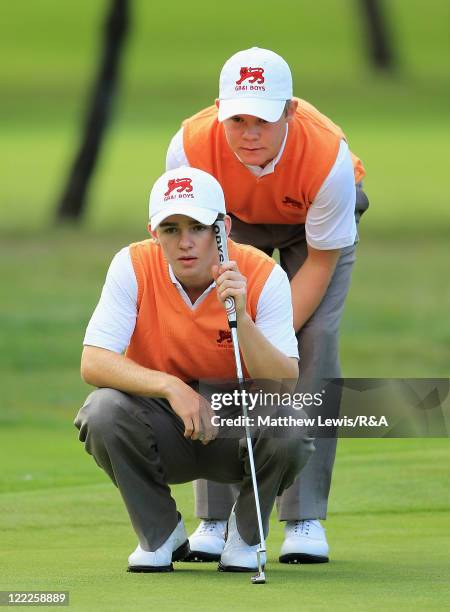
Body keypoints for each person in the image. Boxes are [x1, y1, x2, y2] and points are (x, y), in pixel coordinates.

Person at [166, 46, 369, 564]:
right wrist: (234, 329)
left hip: (314, 230)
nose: (249, 133)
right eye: (237, 120)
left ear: (291, 112)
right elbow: (185, 237)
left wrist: (264, 337)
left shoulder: (328, 159)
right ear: (218, 110)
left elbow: (320, 263)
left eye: (264, 119)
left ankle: (304, 517)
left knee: (314, 340)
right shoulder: (190, 147)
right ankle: (213, 517)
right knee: (215, 332)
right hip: (229, 223)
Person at [74, 167, 314, 573]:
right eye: (170, 229)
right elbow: (93, 360)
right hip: (165, 424)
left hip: (239, 429)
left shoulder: (261, 274)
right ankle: (161, 532)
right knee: (101, 412)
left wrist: (241, 316)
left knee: (291, 424)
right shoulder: (132, 265)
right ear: (153, 232)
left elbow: (284, 378)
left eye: (198, 227)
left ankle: (246, 534)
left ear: (223, 228)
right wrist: (171, 387)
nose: (184, 243)